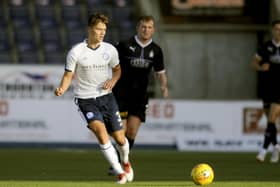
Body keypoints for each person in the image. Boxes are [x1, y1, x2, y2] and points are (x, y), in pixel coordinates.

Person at [54, 13, 133, 184]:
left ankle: (125, 162)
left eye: (104, 30)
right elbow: (68, 75)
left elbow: (118, 70)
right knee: (101, 133)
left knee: (120, 138)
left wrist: (112, 81)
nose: (102, 33)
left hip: (107, 98)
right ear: (90, 29)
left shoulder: (110, 50)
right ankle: (120, 173)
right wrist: (62, 88)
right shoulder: (76, 51)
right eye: (99, 29)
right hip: (86, 100)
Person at [109, 15, 168, 174]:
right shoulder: (124, 45)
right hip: (121, 93)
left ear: (153, 30)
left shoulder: (156, 50)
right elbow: (111, 62)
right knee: (121, 130)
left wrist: (164, 86)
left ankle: (123, 160)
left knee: (132, 131)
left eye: (149, 27)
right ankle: (118, 162)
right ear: (138, 27)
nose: (146, 30)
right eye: (143, 27)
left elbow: (160, 72)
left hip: (140, 96)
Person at [253, 19, 280, 163]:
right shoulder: (265, 46)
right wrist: (260, 68)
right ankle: (276, 146)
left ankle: (262, 151)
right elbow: (254, 63)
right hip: (267, 87)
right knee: (271, 122)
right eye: (276, 29)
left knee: (272, 118)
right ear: (272, 30)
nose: (278, 31)